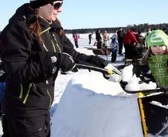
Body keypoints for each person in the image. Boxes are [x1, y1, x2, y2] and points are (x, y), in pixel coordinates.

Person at [0, 1, 108, 136]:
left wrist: (100, 64)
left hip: (43, 107)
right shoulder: (18, 28)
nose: (60, 10)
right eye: (57, 5)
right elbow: (16, 70)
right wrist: (54, 60)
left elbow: (72, 55)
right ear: (41, 4)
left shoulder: (54, 27)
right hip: (23, 111)